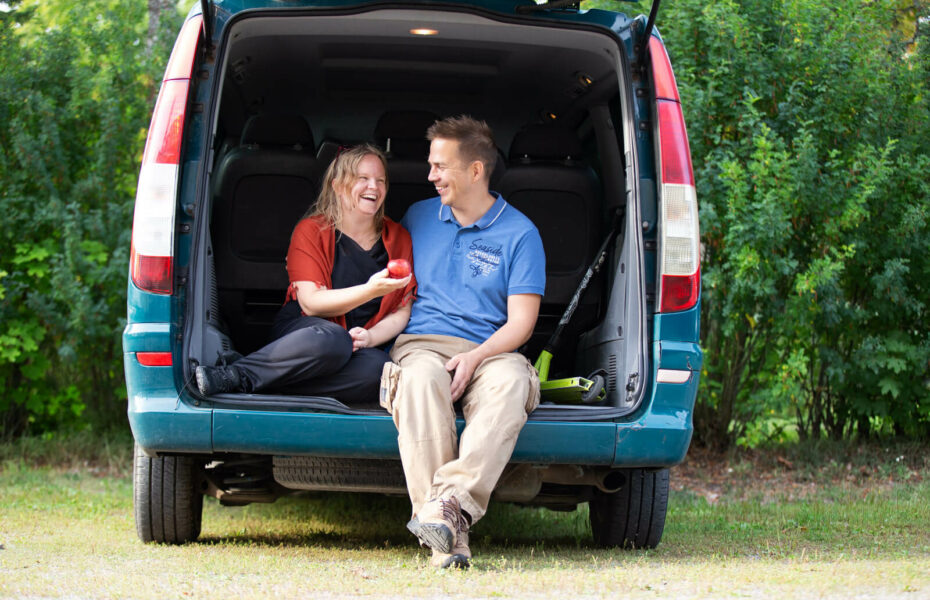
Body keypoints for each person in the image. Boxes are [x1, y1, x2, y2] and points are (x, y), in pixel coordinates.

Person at [380, 116, 545, 569]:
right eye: (430, 165)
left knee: (513, 383)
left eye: (440, 166)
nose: (430, 175)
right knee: (418, 381)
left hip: (491, 349)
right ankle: (447, 535)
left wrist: (476, 358)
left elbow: (522, 324)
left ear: (475, 171)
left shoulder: (521, 234)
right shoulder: (417, 217)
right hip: (422, 344)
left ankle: (446, 511)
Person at [196, 144, 416, 404]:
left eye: (380, 181)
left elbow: (402, 309)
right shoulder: (311, 230)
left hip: (357, 344)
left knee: (379, 370)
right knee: (333, 340)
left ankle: (265, 383)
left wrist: (371, 337)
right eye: (362, 179)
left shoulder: (398, 237)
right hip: (307, 336)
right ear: (337, 186)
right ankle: (236, 374)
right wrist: (370, 290)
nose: (374, 187)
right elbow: (312, 303)